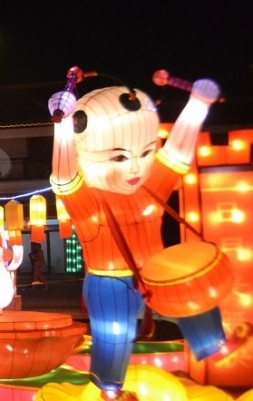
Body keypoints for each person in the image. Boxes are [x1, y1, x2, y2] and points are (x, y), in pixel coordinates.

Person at [48, 70, 250, 400]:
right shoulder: (87, 201)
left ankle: (214, 345)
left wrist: (197, 105)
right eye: (118, 157)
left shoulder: (149, 187)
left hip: (158, 270)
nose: (134, 168)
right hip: (108, 281)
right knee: (113, 334)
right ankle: (109, 389)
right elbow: (64, 176)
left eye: (144, 153)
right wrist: (62, 127)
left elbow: (176, 155)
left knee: (193, 293)